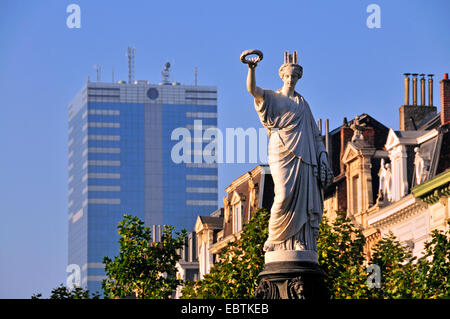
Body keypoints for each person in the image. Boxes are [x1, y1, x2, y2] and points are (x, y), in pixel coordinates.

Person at [245, 50, 333, 252]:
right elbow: (252, 89)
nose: (291, 79)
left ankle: (298, 239)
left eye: (295, 76)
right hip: (281, 149)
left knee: (301, 197)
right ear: (282, 76)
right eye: (288, 76)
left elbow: (315, 135)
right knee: (283, 194)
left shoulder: (303, 104)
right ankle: (275, 238)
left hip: (305, 153)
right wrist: (252, 68)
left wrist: (322, 156)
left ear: (298, 77)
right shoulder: (273, 97)